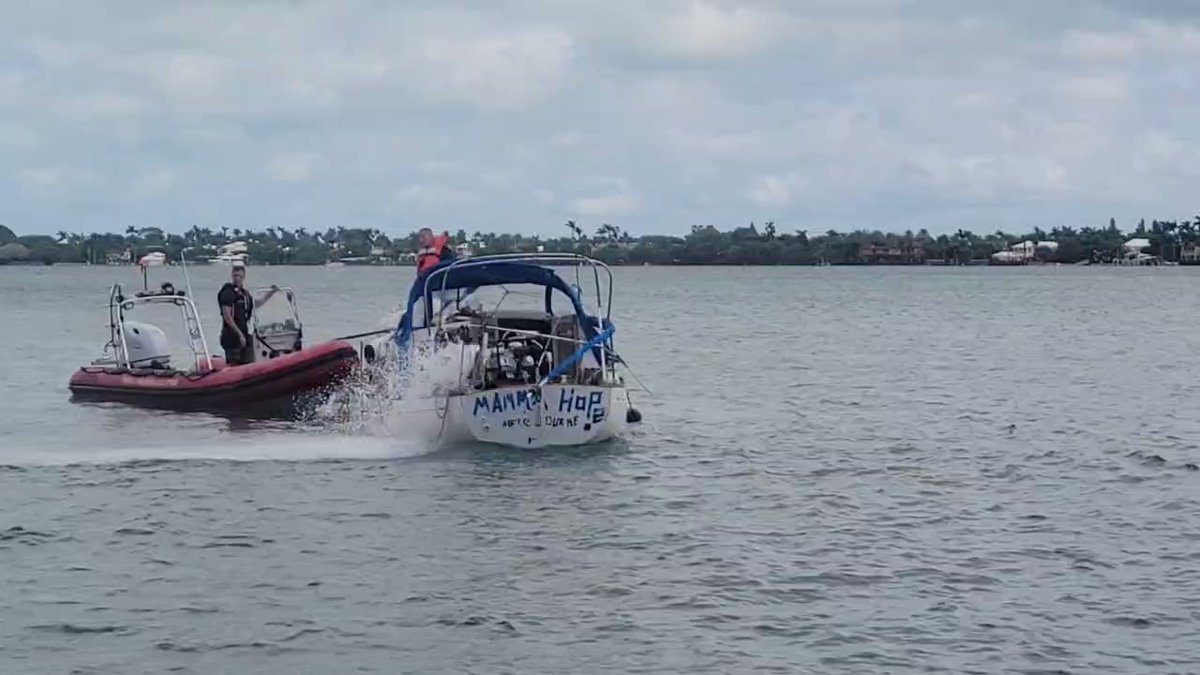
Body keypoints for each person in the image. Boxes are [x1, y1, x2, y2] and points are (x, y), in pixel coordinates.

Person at [217, 264, 278, 366]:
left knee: (250, 358)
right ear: (232, 275)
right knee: (234, 362)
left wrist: (270, 294)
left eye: (240, 276)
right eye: (235, 275)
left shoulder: (245, 294)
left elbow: (254, 304)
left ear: (244, 276)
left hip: (244, 334)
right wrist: (239, 334)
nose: (237, 278)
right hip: (231, 336)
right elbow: (227, 316)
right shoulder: (228, 292)